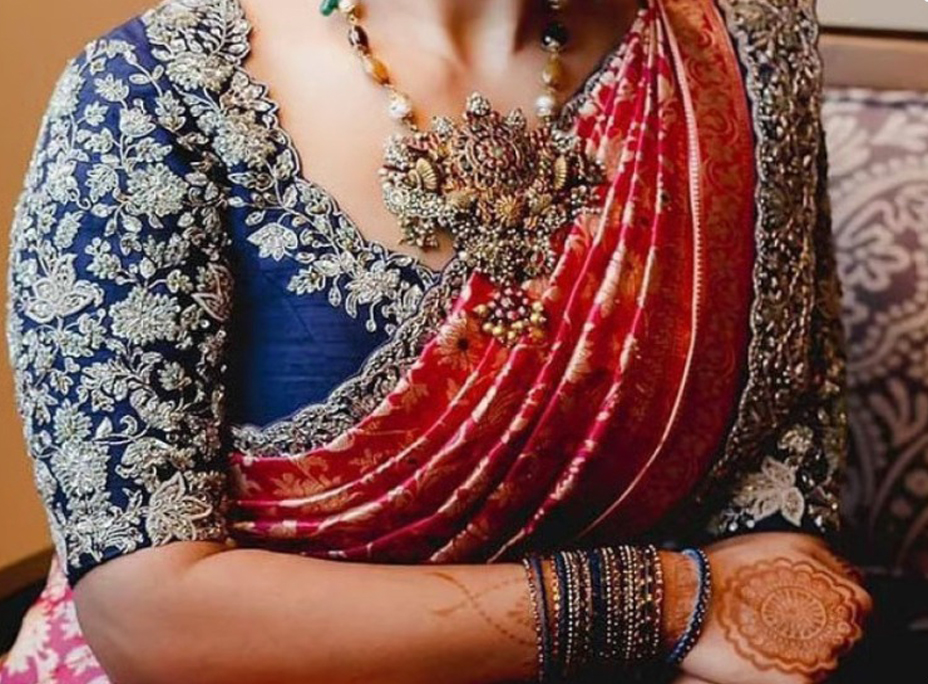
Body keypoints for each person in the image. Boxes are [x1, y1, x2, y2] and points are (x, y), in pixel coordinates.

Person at [1, 0, 871, 682]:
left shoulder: (730, 50)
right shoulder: (153, 96)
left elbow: (775, 469)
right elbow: (149, 615)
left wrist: (769, 610)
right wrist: (664, 602)